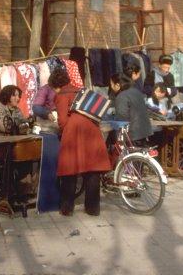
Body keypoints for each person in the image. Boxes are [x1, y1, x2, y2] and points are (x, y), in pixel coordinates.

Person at [53, 70, 111, 216]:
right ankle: (93, 209)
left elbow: (63, 121)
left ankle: (67, 208)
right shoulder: (81, 91)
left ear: (56, 85)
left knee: (69, 170)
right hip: (92, 130)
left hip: (74, 132)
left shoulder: (61, 95)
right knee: (92, 170)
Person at [114, 71, 154, 147]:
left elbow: (122, 116)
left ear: (117, 85)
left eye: (112, 84)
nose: (111, 87)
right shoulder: (136, 92)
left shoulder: (121, 96)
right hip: (144, 132)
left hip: (133, 134)